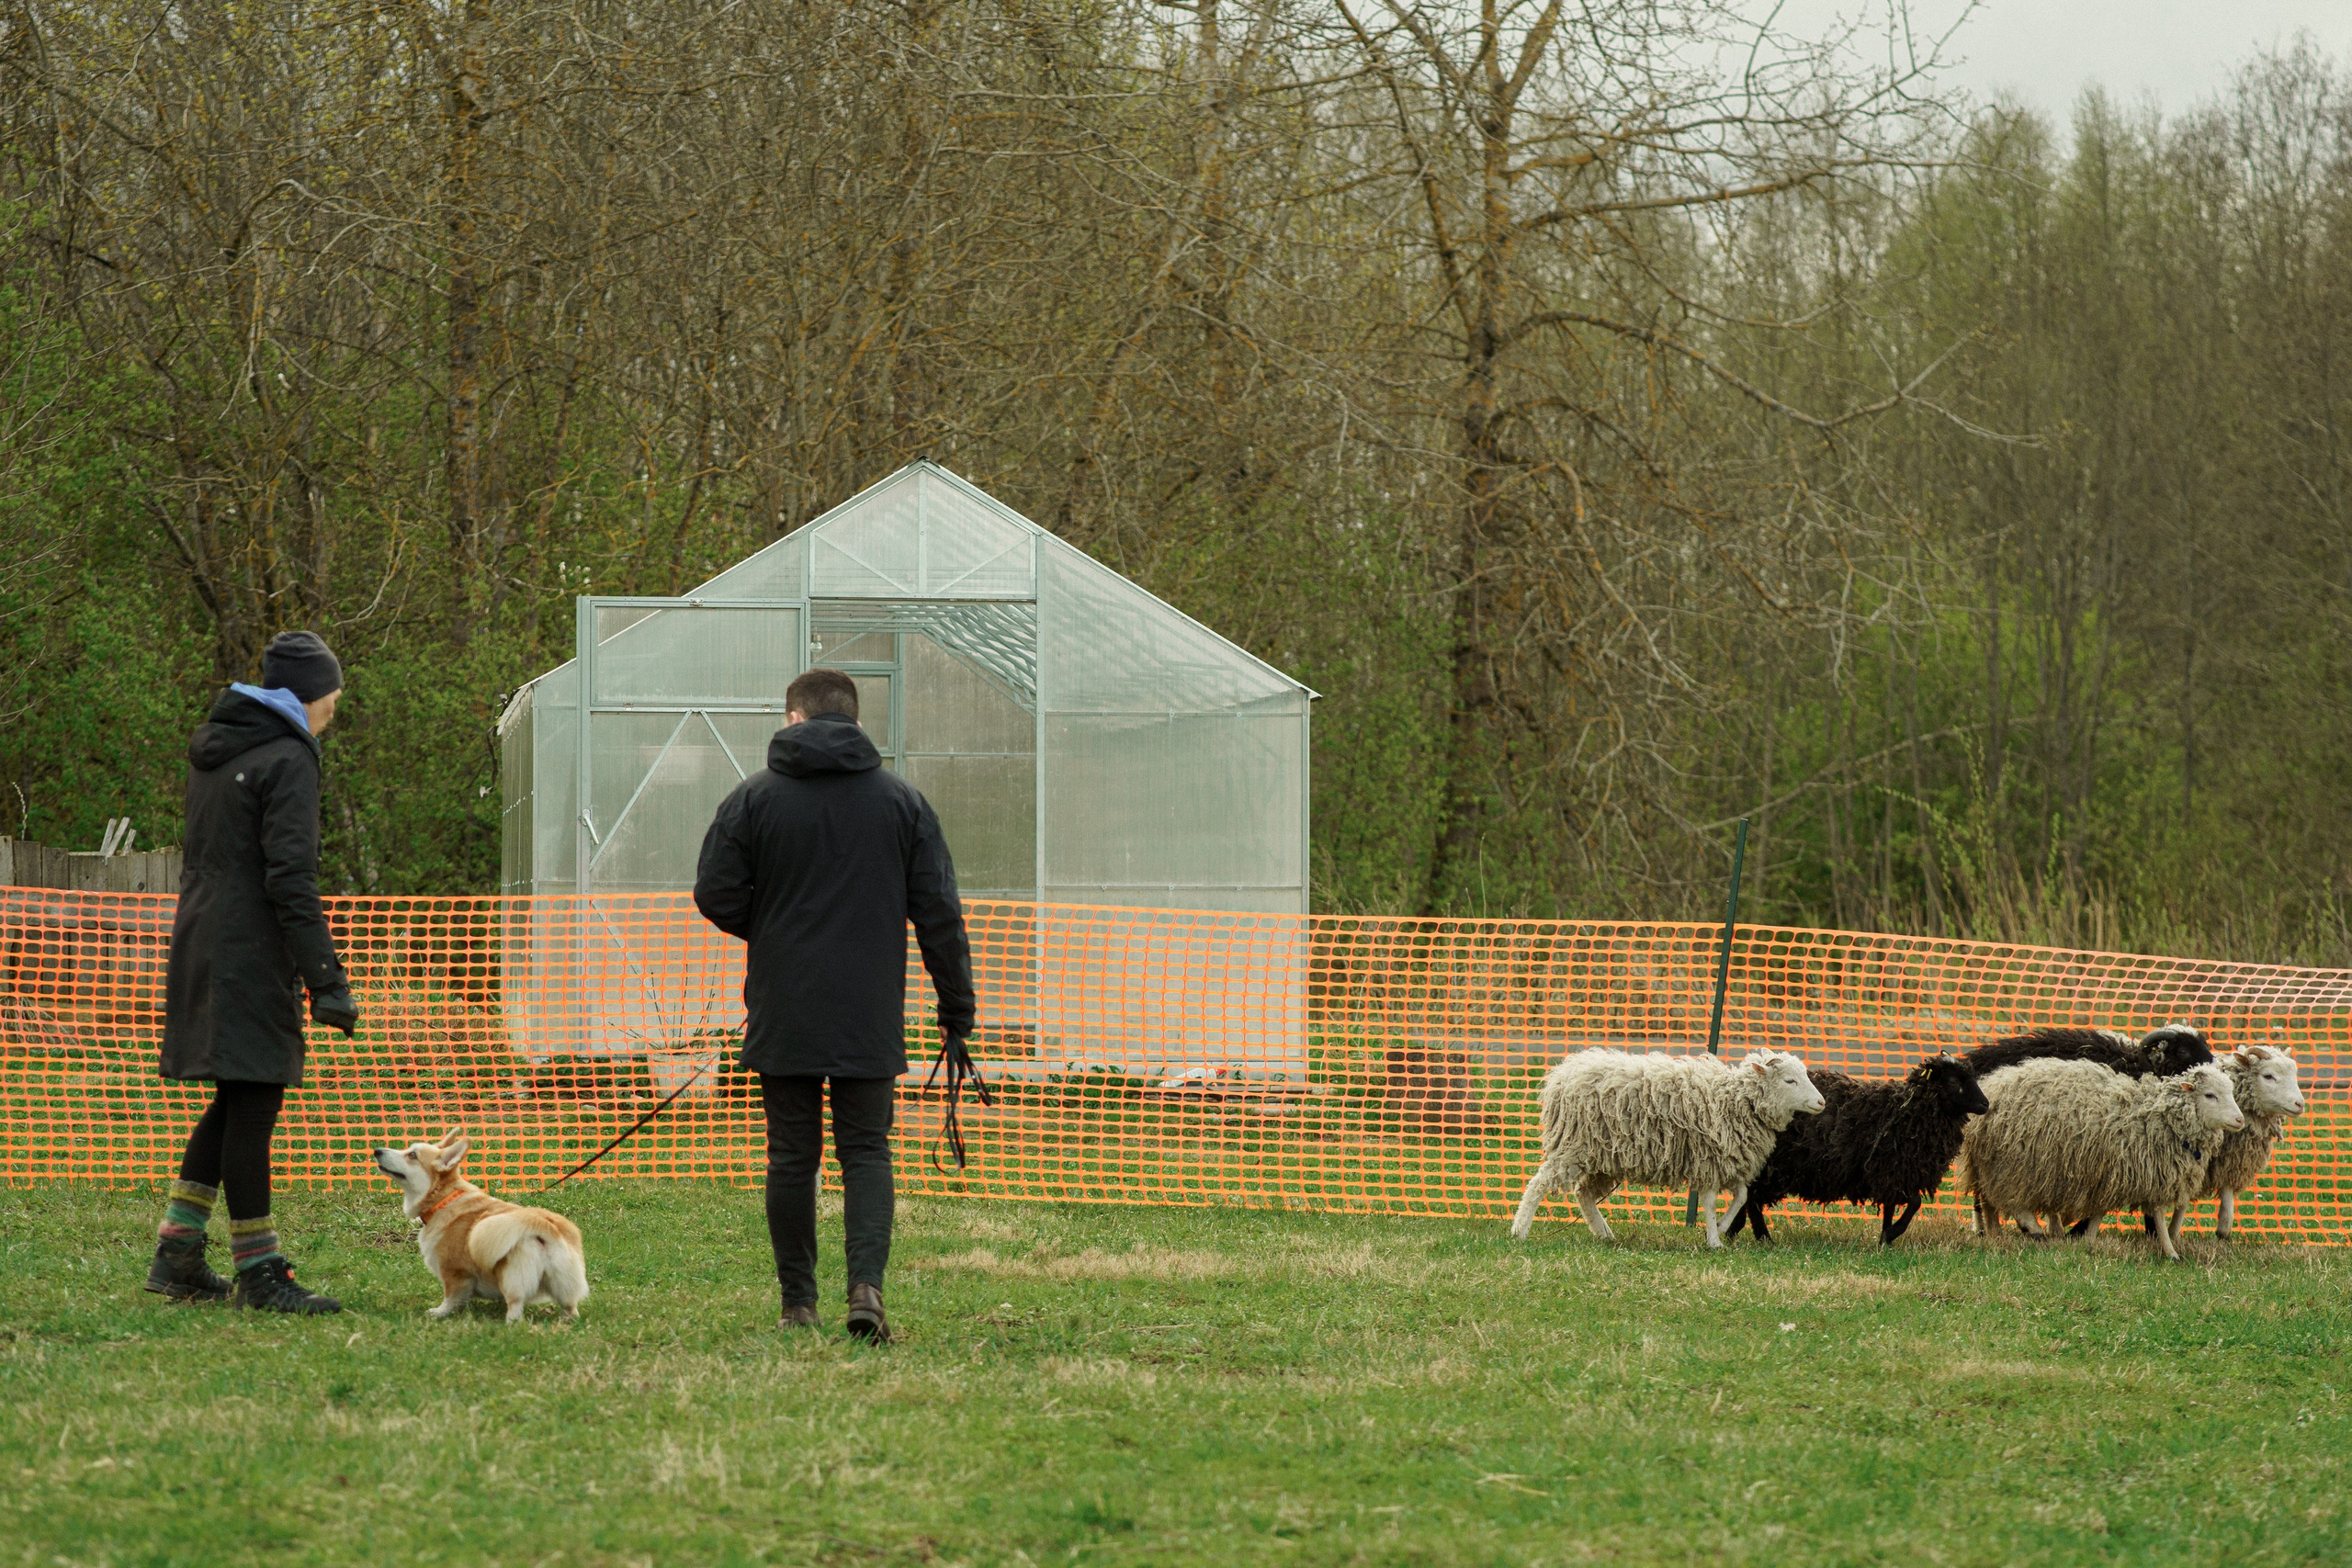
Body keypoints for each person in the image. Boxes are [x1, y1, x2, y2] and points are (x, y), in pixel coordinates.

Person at [693, 667, 974, 1342]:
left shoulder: (752, 798)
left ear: (794, 719)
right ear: (852, 719)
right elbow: (940, 915)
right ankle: (866, 1290)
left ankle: (797, 1303)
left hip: (784, 1004)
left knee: (792, 1155)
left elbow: (714, 892)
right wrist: (956, 1012)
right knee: (866, 1152)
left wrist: (775, 928)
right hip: (868, 1010)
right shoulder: (902, 802)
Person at [145, 629, 359, 1314]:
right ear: (309, 694)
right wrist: (325, 977)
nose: (335, 706)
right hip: (249, 949)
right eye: (332, 693)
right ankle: (260, 1271)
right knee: (256, 1098)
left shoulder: (219, 747)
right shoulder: (289, 755)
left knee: (235, 1097)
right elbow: (289, 875)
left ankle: (177, 1251)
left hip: (203, 934)